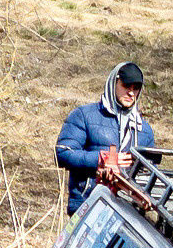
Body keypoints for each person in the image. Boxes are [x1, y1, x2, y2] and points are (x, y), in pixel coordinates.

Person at [55, 62, 154, 213]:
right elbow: (63, 153)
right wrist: (102, 159)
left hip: (128, 213)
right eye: (126, 86)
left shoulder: (144, 130)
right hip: (87, 205)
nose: (131, 93)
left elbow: (150, 174)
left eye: (136, 88)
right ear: (113, 83)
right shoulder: (83, 115)